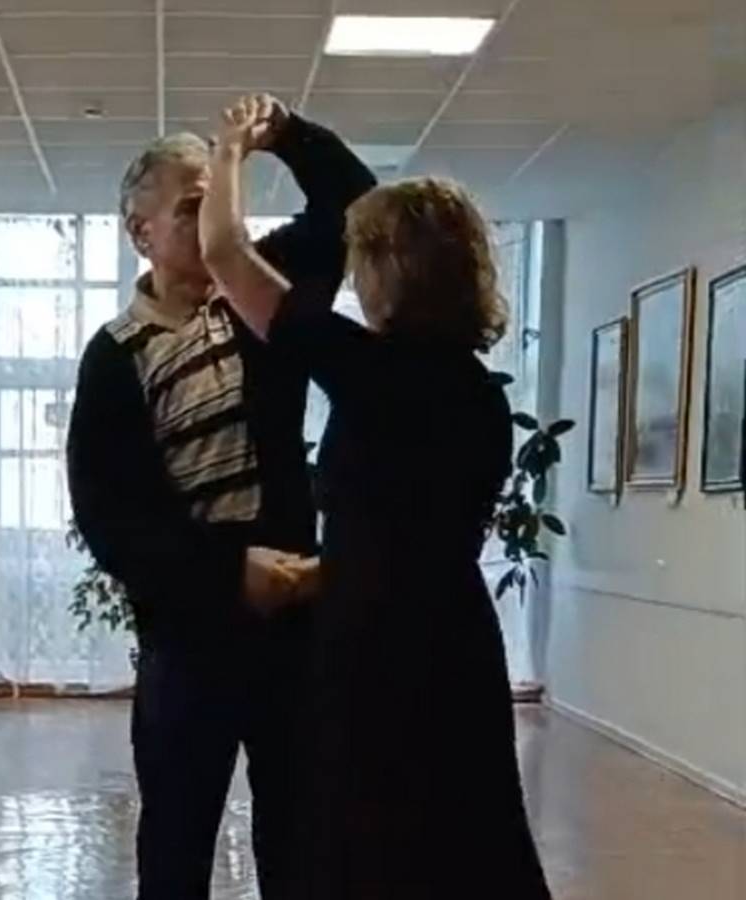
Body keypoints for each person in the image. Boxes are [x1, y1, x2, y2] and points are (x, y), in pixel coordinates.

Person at [199, 96, 554, 898]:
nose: (353, 275)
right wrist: (294, 135)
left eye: (365, 259)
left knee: (372, 846)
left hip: (375, 653)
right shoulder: (477, 393)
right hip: (453, 640)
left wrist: (232, 147)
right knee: (461, 842)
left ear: (394, 269)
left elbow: (223, 251)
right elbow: (409, 536)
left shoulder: (369, 370)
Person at [66, 95, 375, 900]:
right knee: (175, 848)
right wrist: (227, 573)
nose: (212, 225)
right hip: (189, 638)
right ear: (140, 232)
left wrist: (285, 136)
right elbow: (110, 519)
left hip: (293, 629)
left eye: (219, 204)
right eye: (190, 208)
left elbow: (356, 207)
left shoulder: (263, 294)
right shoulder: (115, 356)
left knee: (303, 843)